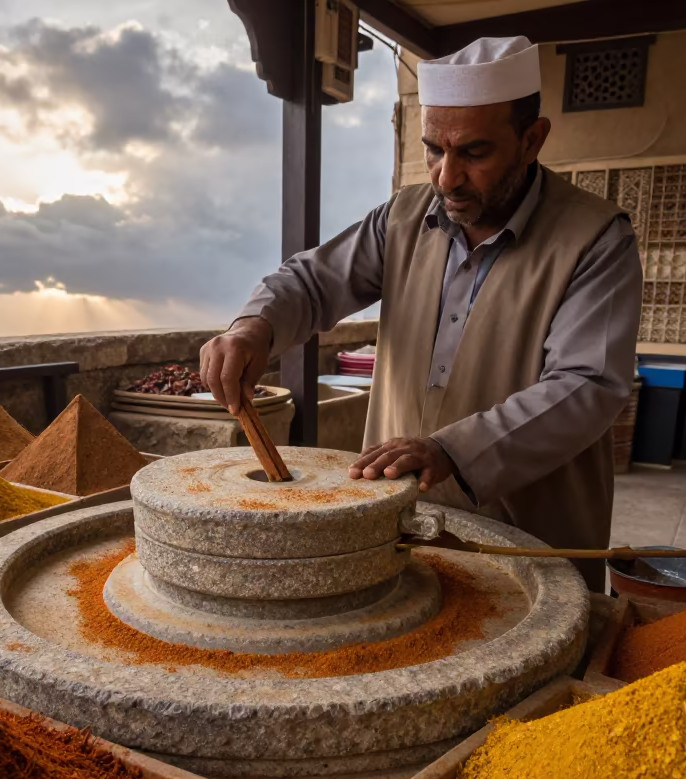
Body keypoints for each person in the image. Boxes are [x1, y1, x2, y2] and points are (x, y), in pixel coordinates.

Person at [200, 36, 642, 592]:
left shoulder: (595, 239)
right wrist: (252, 327)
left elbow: (587, 386)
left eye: (474, 153)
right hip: (397, 523)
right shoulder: (404, 217)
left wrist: (453, 450)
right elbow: (313, 281)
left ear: (532, 140)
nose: (446, 177)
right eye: (434, 149)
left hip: (525, 536)